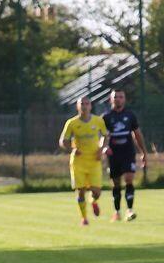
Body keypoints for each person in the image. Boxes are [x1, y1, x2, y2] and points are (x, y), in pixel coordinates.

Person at [59, 96, 110, 226]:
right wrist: (72, 149)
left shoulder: (98, 121)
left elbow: (106, 136)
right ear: (78, 106)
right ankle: (84, 218)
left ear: (91, 106)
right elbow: (63, 141)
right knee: (80, 191)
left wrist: (101, 149)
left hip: (94, 160)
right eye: (82, 104)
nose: (85, 106)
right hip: (78, 161)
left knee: (97, 191)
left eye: (87, 104)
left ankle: (93, 201)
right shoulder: (72, 123)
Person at [101, 89, 148, 221]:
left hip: (128, 152)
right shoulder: (106, 117)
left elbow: (137, 134)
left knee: (128, 178)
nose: (118, 99)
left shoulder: (130, 115)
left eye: (121, 97)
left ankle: (129, 210)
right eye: (116, 97)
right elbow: (103, 136)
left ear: (124, 99)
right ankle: (117, 212)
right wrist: (104, 148)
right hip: (113, 154)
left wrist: (143, 152)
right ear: (111, 99)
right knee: (116, 183)